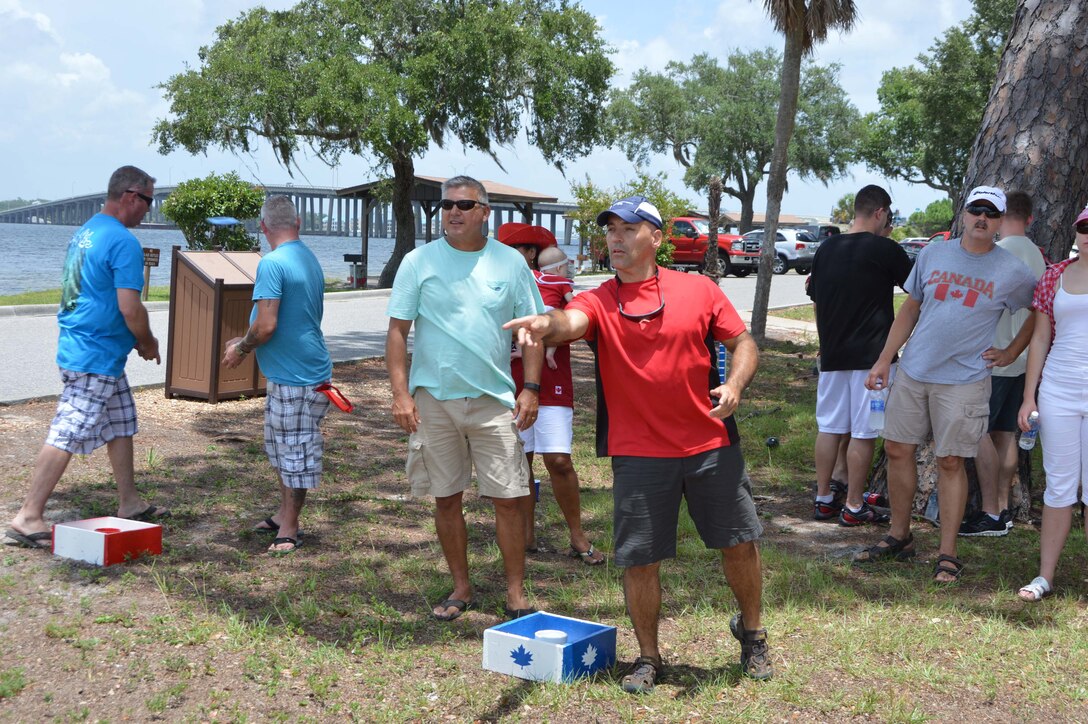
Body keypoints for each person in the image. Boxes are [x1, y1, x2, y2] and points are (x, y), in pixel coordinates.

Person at [505, 195, 768, 692]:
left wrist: (734, 385)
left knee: (738, 542)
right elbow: (570, 323)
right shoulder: (600, 299)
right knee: (640, 558)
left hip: (710, 442)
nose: (616, 238)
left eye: (628, 229)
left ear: (657, 238)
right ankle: (648, 657)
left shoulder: (699, 288)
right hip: (639, 451)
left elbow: (743, 343)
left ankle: (752, 633)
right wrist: (546, 323)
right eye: (610, 230)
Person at [858, 186, 1038, 583]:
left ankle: (948, 554)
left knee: (951, 461)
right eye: (976, 210)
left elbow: (1038, 311)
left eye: (990, 214)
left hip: (964, 381)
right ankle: (899, 536)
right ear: (964, 213)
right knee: (897, 449)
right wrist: (885, 359)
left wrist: (1011, 352)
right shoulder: (934, 253)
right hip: (914, 372)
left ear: (999, 221)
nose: (981, 218)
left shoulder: (1011, 269)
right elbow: (910, 308)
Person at [385, 176, 545, 622]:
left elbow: (533, 331)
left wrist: (531, 389)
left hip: (495, 400)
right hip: (434, 401)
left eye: (464, 204)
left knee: (510, 498)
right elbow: (397, 332)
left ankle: (515, 593)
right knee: (446, 497)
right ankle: (461, 587)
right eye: (447, 205)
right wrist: (401, 394)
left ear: (484, 211)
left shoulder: (510, 263)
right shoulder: (418, 262)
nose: (453, 212)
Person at [6, 166, 164, 549]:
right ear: (130, 196)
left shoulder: (87, 231)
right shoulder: (123, 242)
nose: (149, 210)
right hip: (94, 354)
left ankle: (130, 503)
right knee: (69, 430)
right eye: (148, 201)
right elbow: (131, 308)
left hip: (87, 348)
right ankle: (28, 516)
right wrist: (148, 341)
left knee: (122, 420)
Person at [222, 195, 333, 555]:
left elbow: (267, 325)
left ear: (263, 228)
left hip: (297, 378)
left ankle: (290, 527)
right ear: (297, 224)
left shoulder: (271, 263)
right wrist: (247, 335)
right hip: (301, 372)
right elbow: (289, 318)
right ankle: (283, 512)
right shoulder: (307, 257)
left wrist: (241, 349)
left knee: (294, 454)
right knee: (283, 450)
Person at [498, 222, 605, 566]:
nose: (505, 257)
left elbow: (567, 329)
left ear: (530, 253)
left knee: (558, 460)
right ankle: (526, 536)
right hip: (507, 381)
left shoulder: (552, 285)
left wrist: (542, 335)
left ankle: (577, 535)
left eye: (514, 250)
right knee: (520, 461)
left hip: (553, 382)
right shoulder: (499, 283)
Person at [808, 185, 912, 525]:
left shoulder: (826, 249)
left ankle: (823, 498)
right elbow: (918, 290)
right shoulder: (886, 249)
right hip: (873, 359)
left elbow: (815, 296)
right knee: (864, 433)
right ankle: (854, 505)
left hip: (833, 356)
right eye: (889, 217)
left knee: (830, 427)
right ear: (880, 213)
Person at [961, 191, 1046, 537]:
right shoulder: (1039, 255)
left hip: (994, 356)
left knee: (979, 431)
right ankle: (1004, 506)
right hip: (1023, 358)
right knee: (1005, 434)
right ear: (1030, 218)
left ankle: (991, 511)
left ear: (1001, 216)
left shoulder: (1002, 254)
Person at [1015, 207, 1088, 601]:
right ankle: (1044, 577)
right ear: (1075, 232)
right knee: (1059, 487)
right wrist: (1029, 396)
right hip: (1058, 390)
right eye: (1084, 227)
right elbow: (1040, 339)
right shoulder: (1054, 275)